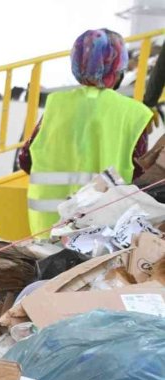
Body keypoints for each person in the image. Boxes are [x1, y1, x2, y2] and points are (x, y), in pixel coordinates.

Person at [19, 29, 153, 236]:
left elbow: (26, 160)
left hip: (46, 227)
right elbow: (140, 174)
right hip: (103, 232)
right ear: (118, 69)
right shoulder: (134, 113)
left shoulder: (56, 105)